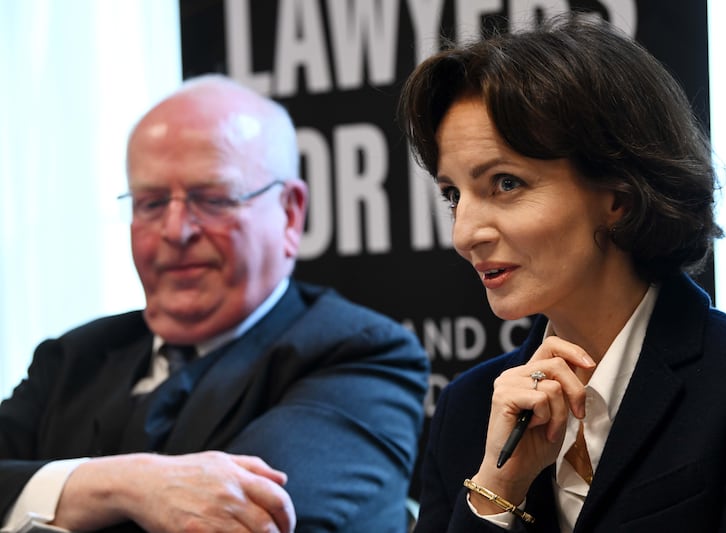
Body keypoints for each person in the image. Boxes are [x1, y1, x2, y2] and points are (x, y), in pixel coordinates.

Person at [397, 15, 726, 533]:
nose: (465, 233)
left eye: (505, 183)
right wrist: (497, 492)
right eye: (453, 195)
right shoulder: (468, 408)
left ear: (619, 194)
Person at [0, 74, 430, 533]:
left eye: (211, 199)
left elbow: (240, 521)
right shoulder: (73, 358)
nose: (176, 231)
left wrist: (42, 496)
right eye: (151, 203)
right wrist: (127, 485)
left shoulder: (362, 358)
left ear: (289, 213)